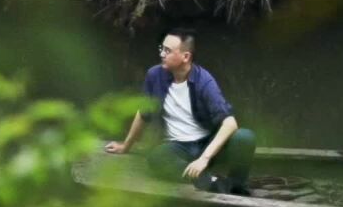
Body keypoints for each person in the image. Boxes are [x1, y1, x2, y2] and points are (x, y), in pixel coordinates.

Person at [103, 28, 256, 196]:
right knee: (156, 158)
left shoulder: (204, 81)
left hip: (207, 146)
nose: (162, 54)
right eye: (161, 49)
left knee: (245, 137)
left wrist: (204, 159)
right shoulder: (154, 76)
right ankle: (211, 181)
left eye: (167, 51)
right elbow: (144, 113)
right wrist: (126, 146)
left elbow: (230, 123)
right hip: (178, 148)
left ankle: (236, 185)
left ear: (186, 57)